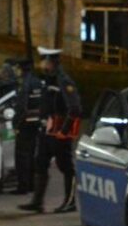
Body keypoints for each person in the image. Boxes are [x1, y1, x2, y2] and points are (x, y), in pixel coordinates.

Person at [19, 48, 82, 214]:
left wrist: (65, 130)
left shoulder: (63, 81)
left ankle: (70, 202)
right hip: (47, 131)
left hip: (59, 132)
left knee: (65, 166)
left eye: (43, 61)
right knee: (40, 164)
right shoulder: (48, 80)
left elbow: (74, 108)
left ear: (50, 62)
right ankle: (37, 202)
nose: (41, 64)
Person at [11, 59, 44, 195]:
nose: (16, 71)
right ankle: (31, 185)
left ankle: (23, 186)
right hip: (36, 123)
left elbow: (21, 107)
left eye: (17, 68)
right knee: (31, 154)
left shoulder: (24, 83)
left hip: (24, 124)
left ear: (22, 69)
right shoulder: (38, 82)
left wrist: (16, 124)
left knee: (22, 155)